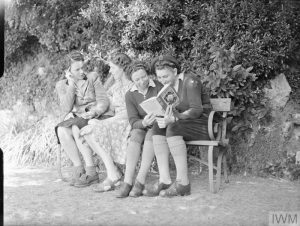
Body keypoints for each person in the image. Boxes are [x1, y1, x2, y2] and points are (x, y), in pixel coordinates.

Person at [143, 55, 212, 197]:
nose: (162, 81)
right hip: (183, 123)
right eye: (159, 77)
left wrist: (174, 119)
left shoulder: (190, 81)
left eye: (165, 76)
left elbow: (196, 110)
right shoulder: (167, 87)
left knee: (173, 127)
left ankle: (183, 183)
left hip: (202, 124)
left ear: (175, 71)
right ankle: (165, 180)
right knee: (157, 127)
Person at [55, 51, 112, 187]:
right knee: (62, 130)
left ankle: (91, 172)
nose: (82, 72)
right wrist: (71, 84)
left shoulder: (93, 77)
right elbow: (66, 108)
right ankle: (79, 170)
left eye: (83, 67)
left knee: (77, 127)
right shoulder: (61, 85)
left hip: (96, 115)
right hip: (78, 116)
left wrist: (95, 112)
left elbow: (103, 100)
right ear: (68, 70)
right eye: (77, 69)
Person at [79, 53, 133, 191]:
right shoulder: (115, 87)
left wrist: (104, 122)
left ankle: (113, 175)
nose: (110, 71)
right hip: (116, 120)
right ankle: (113, 172)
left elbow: (129, 112)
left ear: (122, 68)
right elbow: (107, 105)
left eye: (113, 67)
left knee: (91, 127)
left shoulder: (132, 86)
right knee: (89, 128)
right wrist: (94, 111)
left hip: (126, 121)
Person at [116, 61, 163, 198]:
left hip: (159, 124)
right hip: (143, 124)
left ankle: (140, 181)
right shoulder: (130, 95)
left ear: (148, 74)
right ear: (132, 80)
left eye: (144, 77)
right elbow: (133, 121)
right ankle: (127, 181)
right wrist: (143, 122)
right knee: (135, 134)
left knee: (151, 134)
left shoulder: (158, 86)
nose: (142, 81)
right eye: (137, 79)